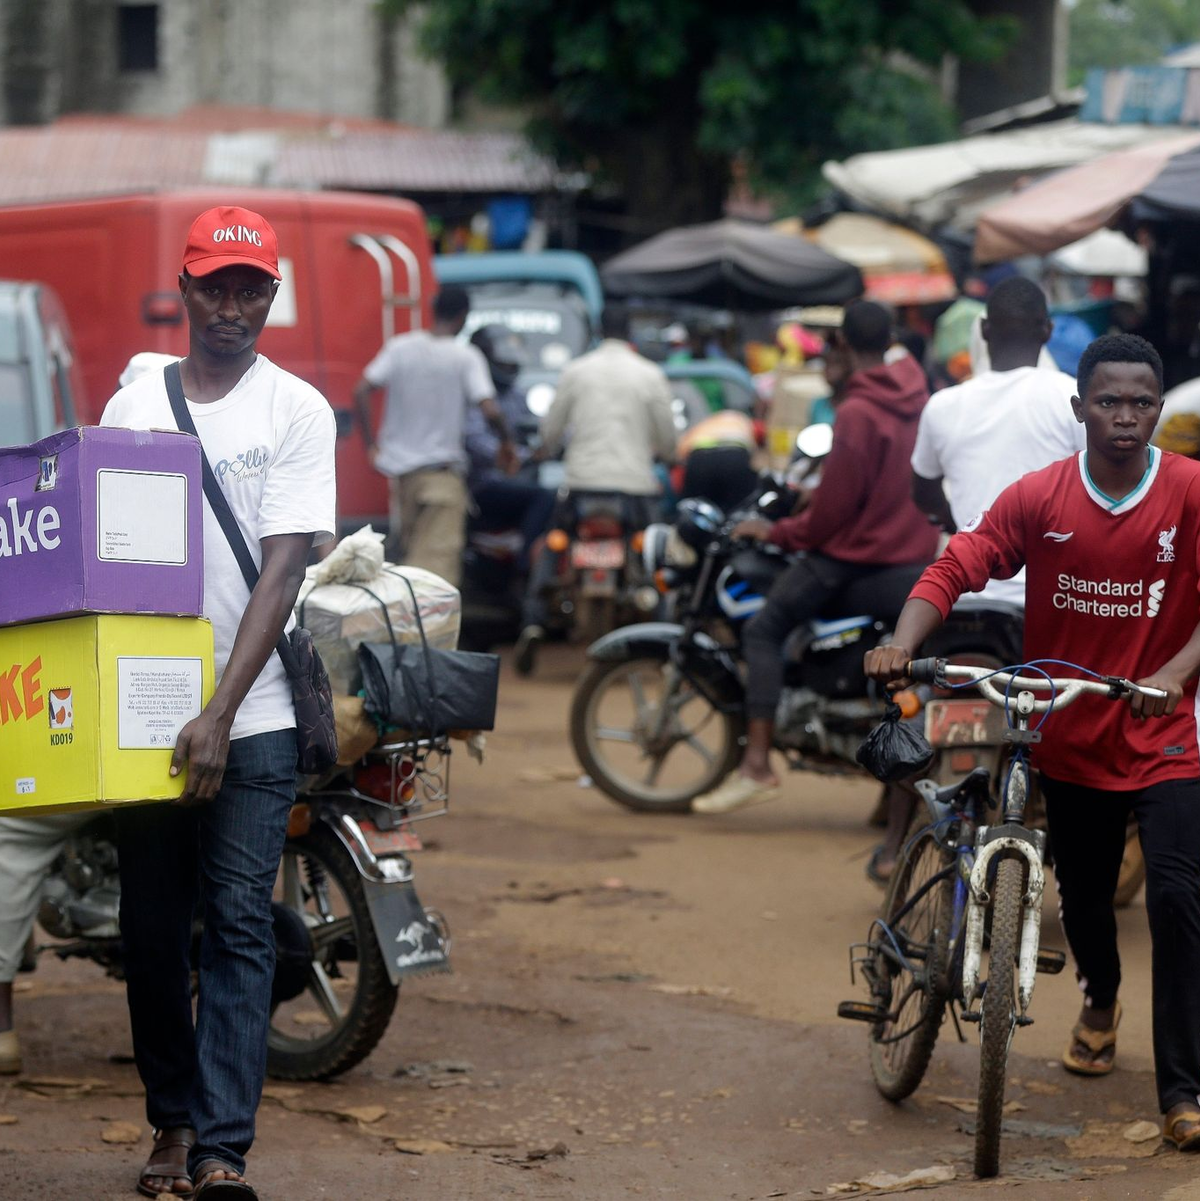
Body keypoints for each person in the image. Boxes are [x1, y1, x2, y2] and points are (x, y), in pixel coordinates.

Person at [865, 333, 1200, 1151]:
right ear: (1079, 407)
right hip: (1070, 734)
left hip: (1164, 734)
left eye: (1142, 402)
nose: (1126, 417)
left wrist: (1177, 673)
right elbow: (960, 561)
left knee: (1177, 898)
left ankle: (1184, 1089)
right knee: (1083, 898)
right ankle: (1098, 1000)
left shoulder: (1191, 491)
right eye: (1110, 401)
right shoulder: (1042, 496)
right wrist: (902, 639)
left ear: (1160, 408)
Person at [100, 204, 337, 1199]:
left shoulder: (297, 409)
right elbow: (98, 551)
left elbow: (281, 572)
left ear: (270, 295)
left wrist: (221, 715)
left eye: (252, 288)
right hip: (147, 713)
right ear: (186, 289)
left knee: (239, 924)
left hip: (260, 710)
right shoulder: (136, 402)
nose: (233, 303)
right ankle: (171, 1122)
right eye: (216, 285)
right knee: (152, 928)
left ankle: (221, 1148)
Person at [864, 278, 1087, 882]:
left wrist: (958, 518)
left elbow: (922, 491)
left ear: (984, 334)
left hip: (955, 601)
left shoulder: (945, 404)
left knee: (920, 703)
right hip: (1043, 613)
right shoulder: (1072, 398)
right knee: (1064, 728)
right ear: (1047, 333)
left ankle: (892, 846)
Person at [691, 300, 939, 815]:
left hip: (854, 558)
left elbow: (829, 520)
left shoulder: (856, 410)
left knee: (764, 628)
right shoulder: (918, 395)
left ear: (843, 345)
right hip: (911, 556)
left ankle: (757, 765)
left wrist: (778, 530)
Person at [513, 304, 677, 674]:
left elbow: (550, 432)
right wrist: (666, 454)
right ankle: (668, 640)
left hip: (582, 485)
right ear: (630, 333)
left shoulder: (577, 370)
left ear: (598, 332)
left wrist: (546, 449)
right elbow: (667, 437)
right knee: (656, 560)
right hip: (634, 487)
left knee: (555, 544)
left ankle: (534, 620)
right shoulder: (650, 374)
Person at [353, 286, 516, 587]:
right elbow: (490, 409)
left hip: (404, 481)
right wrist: (507, 443)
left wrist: (371, 446)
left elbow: (362, 389)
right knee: (432, 578)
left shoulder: (401, 347)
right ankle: (425, 634)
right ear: (463, 317)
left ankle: (405, 631)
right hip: (441, 479)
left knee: (409, 562)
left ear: (434, 308)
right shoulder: (465, 356)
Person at [464, 324, 555, 570]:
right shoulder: (475, 396)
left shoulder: (515, 394)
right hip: (482, 485)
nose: (510, 368)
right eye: (504, 363)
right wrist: (522, 456)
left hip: (514, 479)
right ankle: (525, 569)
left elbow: (537, 425)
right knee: (544, 497)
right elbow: (476, 442)